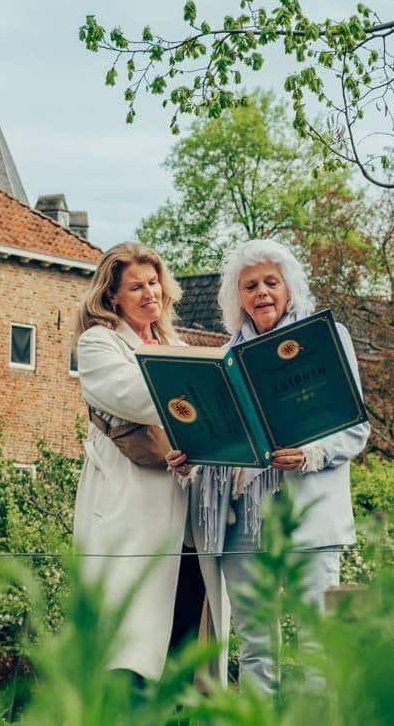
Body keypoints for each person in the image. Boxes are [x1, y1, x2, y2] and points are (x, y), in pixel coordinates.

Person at [170, 238, 369, 692]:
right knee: (257, 646)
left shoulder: (327, 340)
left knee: (318, 645)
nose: (261, 293)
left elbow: (357, 430)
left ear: (289, 287)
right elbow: (221, 438)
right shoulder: (225, 358)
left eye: (270, 282)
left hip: (307, 515)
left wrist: (310, 454)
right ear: (237, 297)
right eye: (250, 285)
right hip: (241, 521)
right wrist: (191, 457)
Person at [72, 241, 229, 684]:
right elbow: (137, 396)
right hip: (130, 518)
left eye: (154, 282)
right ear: (112, 297)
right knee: (129, 653)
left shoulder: (174, 344)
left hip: (185, 528)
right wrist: (208, 393)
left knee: (183, 650)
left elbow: (197, 430)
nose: (149, 294)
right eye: (136, 286)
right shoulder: (99, 343)